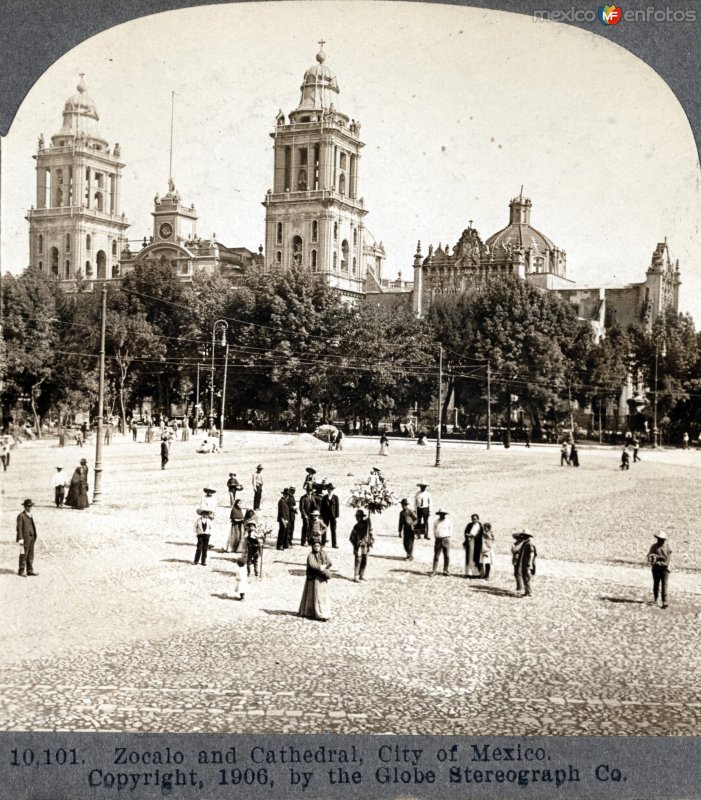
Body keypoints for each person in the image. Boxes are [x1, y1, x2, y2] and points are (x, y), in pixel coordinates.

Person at [298, 540, 332, 621]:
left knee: (321, 596)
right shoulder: (310, 555)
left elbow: (329, 562)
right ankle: (312, 613)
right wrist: (321, 568)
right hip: (314, 578)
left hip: (322, 579)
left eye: (318, 546)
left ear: (320, 547)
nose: (316, 548)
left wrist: (325, 566)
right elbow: (313, 565)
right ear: (312, 547)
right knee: (314, 596)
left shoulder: (324, 554)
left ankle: (322, 613)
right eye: (315, 546)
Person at [647, 530, 671, 608]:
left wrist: (657, 562)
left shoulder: (667, 547)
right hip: (656, 569)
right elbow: (649, 558)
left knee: (664, 585)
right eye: (659, 539)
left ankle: (664, 601)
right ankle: (656, 599)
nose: (660, 540)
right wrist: (656, 560)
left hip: (665, 569)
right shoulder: (653, 547)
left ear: (664, 540)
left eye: (661, 539)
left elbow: (667, 561)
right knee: (656, 584)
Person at [511, 529, 537, 597]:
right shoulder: (526, 543)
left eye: (524, 535)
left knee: (527, 578)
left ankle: (529, 592)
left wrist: (529, 563)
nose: (523, 536)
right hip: (524, 563)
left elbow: (531, 554)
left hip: (526, 564)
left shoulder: (529, 543)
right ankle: (526, 592)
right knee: (525, 577)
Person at [350, 509, 373, 582]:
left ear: (362, 517)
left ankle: (361, 575)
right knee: (358, 561)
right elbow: (352, 538)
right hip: (358, 546)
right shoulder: (356, 526)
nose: (357, 518)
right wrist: (356, 544)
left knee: (364, 561)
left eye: (359, 516)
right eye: (357, 516)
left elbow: (370, 532)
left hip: (365, 546)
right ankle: (356, 576)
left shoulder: (366, 524)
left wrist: (369, 543)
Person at [16, 499, 38, 577]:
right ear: (25, 507)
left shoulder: (30, 515)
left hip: (31, 537)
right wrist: (20, 538)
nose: (30, 507)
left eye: (31, 506)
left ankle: (30, 570)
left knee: (30, 554)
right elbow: (19, 528)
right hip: (24, 538)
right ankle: (21, 570)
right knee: (23, 554)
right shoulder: (21, 516)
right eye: (28, 506)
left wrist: (34, 535)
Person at [431, 509, 452, 576]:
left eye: (443, 514)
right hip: (438, 540)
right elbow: (434, 529)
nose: (442, 515)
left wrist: (448, 536)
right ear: (439, 514)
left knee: (447, 556)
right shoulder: (436, 521)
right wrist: (436, 536)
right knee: (436, 556)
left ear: (445, 514)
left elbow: (451, 529)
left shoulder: (448, 521)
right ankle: (434, 571)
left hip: (446, 540)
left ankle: (445, 570)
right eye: (441, 514)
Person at [320, 483, 340, 548]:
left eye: (331, 489)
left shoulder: (336, 497)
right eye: (328, 489)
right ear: (327, 490)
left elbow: (337, 507)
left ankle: (334, 544)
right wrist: (321, 516)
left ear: (332, 490)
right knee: (324, 528)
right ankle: (323, 543)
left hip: (333, 516)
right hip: (325, 516)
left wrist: (336, 516)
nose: (330, 490)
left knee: (333, 530)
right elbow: (322, 507)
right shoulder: (324, 497)